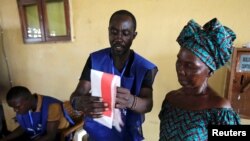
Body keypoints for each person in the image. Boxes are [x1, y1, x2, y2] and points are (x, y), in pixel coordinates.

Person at [70, 10, 158, 141]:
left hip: (129, 134)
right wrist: (79, 103)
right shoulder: (95, 59)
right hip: (97, 134)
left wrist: (131, 101)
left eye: (125, 33)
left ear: (134, 35)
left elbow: (147, 104)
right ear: (108, 31)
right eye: (114, 32)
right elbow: (77, 95)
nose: (118, 38)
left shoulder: (144, 67)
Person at [159, 18, 240, 141]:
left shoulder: (219, 110)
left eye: (190, 66)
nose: (181, 69)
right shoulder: (171, 99)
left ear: (210, 71)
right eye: (179, 62)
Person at [0, 86, 74, 141]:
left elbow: (50, 136)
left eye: (17, 107)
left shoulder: (52, 107)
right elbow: (24, 127)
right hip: (37, 133)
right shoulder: (25, 107)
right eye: (12, 107)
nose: (15, 110)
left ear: (28, 100)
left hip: (57, 135)